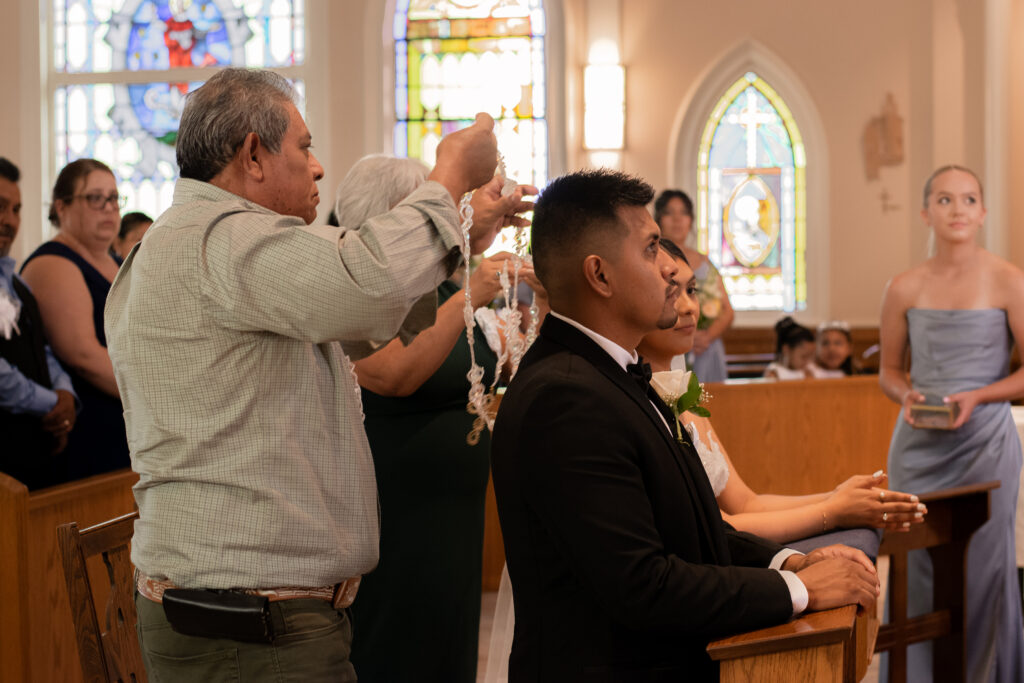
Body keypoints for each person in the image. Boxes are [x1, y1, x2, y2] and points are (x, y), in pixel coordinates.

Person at [105, 68, 508, 681]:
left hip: (252, 616)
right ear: (253, 155)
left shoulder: (210, 244)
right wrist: (449, 173)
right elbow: (368, 285)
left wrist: (461, 230)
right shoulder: (223, 240)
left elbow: (369, 315)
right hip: (247, 625)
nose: (319, 167)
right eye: (304, 146)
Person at [490, 169, 879, 682]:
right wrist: (802, 592)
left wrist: (790, 564)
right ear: (599, 275)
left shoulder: (615, 374)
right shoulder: (566, 396)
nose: (669, 270)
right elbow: (642, 583)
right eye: (652, 250)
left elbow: (691, 530)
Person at [333, 155, 537, 683]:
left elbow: (500, 360)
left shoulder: (442, 281)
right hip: (397, 511)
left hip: (453, 520)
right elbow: (394, 373)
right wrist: (474, 286)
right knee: (397, 650)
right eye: (432, 206)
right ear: (393, 217)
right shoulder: (357, 288)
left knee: (448, 646)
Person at [637, 240, 924, 548]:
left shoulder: (685, 400)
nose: (688, 307)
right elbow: (717, 527)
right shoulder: (639, 403)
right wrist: (834, 512)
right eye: (671, 291)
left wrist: (838, 495)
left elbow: (747, 503)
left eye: (691, 290)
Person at [879, 165, 1024, 682]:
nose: (957, 209)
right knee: (915, 570)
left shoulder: (1010, 280)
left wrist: (980, 395)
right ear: (926, 212)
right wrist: (908, 394)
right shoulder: (904, 286)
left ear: (982, 212)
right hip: (918, 446)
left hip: (985, 443)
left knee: (984, 567)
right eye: (944, 200)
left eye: (968, 199)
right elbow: (889, 371)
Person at [20, 158, 129, 481]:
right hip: (90, 435)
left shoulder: (116, 261)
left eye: (113, 198)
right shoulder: (53, 263)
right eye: (96, 198)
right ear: (62, 206)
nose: (109, 208)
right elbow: (83, 356)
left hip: (129, 424)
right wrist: (161, 395)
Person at [0, 157, 78, 489]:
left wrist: (65, 394)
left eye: (16, 210)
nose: (9, 221)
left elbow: (41, 347)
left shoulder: (17, 285)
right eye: (1, 207)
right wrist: (51, 404)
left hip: (34, 458)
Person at [654, 189, 733, 381]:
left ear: (691, 220)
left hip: (706, 350)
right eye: (669, 212)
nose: (677, 219)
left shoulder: (705, 263)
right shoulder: (654, 262)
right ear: (659, 219)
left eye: (683, 213)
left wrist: (705, 337)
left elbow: (728, 311)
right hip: (668, 346)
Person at [763, 315, 814, 380]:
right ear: (786, 350)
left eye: (810, 356)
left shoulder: (806, 372)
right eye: (804, 356)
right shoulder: (774, 373)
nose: (807, 362)